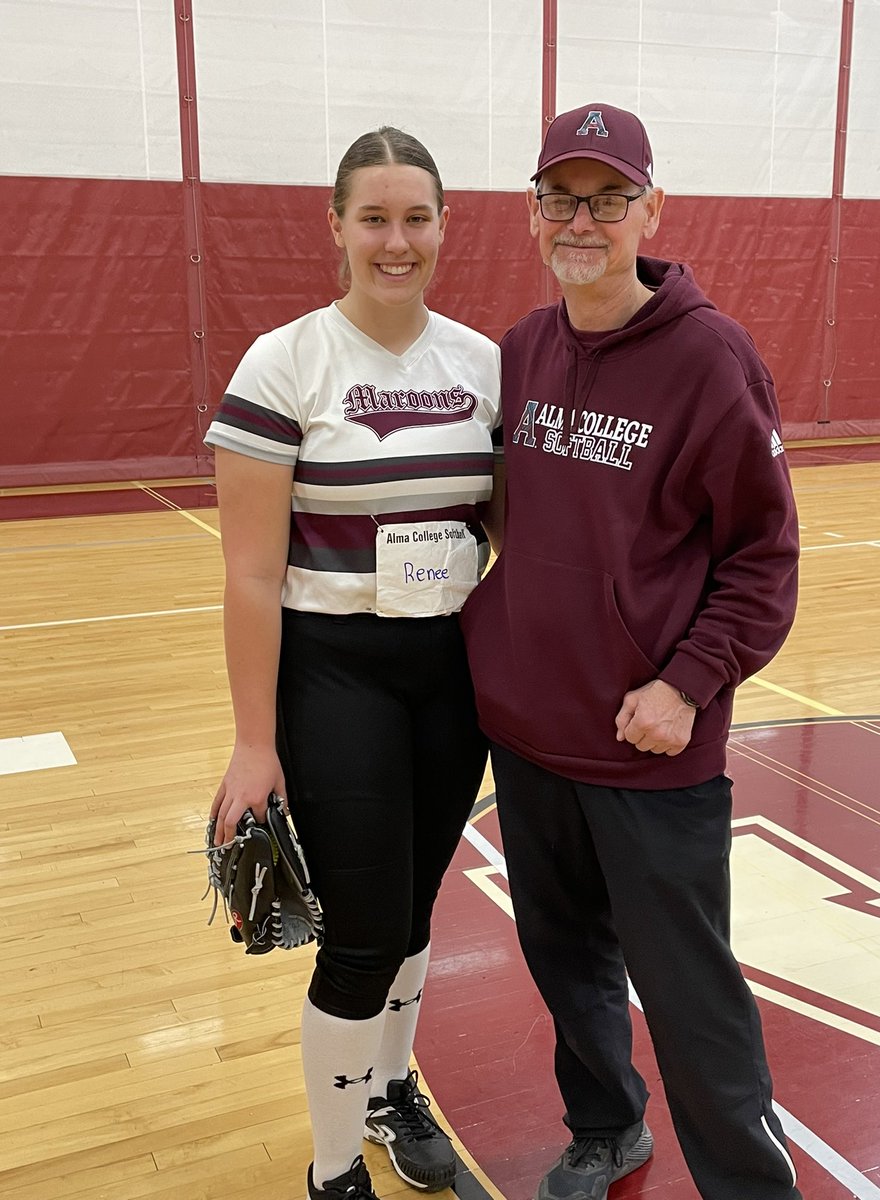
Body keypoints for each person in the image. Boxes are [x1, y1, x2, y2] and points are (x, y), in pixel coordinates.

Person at [460, 103, 803, 1200]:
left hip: (651, 748)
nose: (584, 219)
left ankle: (752, 1185)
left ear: (651, 208)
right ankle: (608, 1127)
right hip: (531, 734)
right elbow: (521, 523)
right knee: (568, 967)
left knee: (691, 994)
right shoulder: (522, 348)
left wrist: (685, 683)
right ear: (532, 213)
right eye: (562, 196)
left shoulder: (709, 358)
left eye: (610, 197)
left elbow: (764, 559)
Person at [203, 126, 501, 1200]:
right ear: (334, 227)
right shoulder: (285, 364)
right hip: (335, 672)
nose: (396, 240)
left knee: (417, 914)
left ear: (443, 226)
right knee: (364, 934)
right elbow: (247, 576)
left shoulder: (482, 364)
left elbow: (502, 532)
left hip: (449, 676)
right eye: (373, 217)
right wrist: (251, 744)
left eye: (416, 217)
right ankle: (335, 1173)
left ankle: (388, 1089)